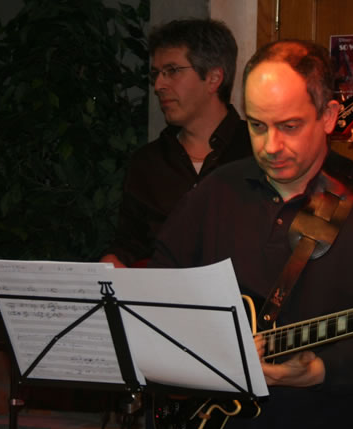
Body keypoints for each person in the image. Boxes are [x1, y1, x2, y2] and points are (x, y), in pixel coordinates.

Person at [150, 39, 353, 429]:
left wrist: (320, 369)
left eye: (290, 126)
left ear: (328, 116)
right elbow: (159, 290)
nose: (271, 146)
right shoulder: (216, 190)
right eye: (257, 126)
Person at [100, 18, 251, 268]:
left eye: (172, 71)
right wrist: (113, 261)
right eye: (156, 74)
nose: (159, 85)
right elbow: (130, 243)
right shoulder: (148, 162)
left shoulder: (259, 152)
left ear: (213, 78)